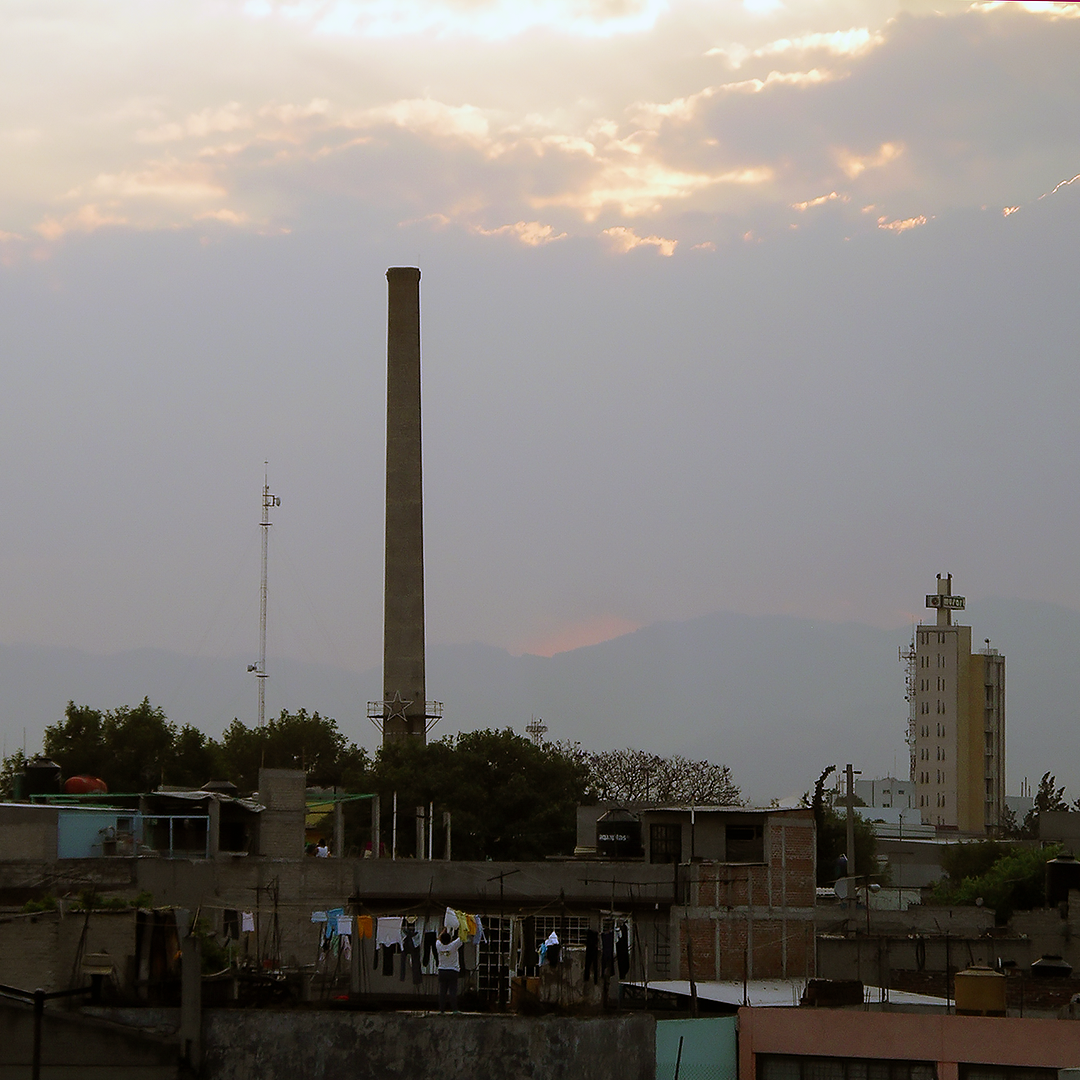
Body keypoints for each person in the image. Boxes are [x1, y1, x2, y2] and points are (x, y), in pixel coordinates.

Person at [436, 928, 462, 1012]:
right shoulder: (453, 945)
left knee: (442, 992)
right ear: (450, 939)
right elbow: (462, 937)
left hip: (442, 971)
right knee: (453, 991)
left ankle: (441, 1010)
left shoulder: (439, 946)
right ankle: (454, 1009)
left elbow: (438, 938)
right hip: (452, 971)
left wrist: (444, 929)